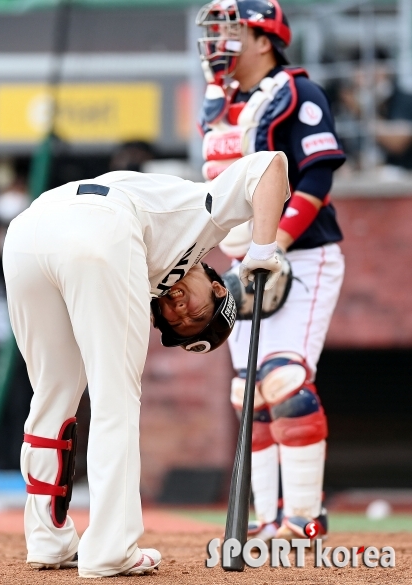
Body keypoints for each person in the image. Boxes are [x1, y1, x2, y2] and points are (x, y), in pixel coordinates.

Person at [2, 150, 289, 577]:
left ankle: (48, 539)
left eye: (180, 326)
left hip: (27, 235)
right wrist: (264, 248)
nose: (181, 313)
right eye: (199, 311)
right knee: (115, 396)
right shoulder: (207, 218)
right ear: (215, 283)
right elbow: (271, 166)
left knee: (53, 394)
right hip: (99, 224)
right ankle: (111, 549)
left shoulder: (150, 279)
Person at [196, 0, 346, 541]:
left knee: (285, 379)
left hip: (302, 253)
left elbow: (317, 179)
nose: (220, 44)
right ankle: (266, 519)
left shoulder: (297, 93)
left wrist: (274, 244)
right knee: (248, 390)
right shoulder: (219, 105)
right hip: (243, 259)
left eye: (234, 32)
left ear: (264, 40)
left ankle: (305, 517)